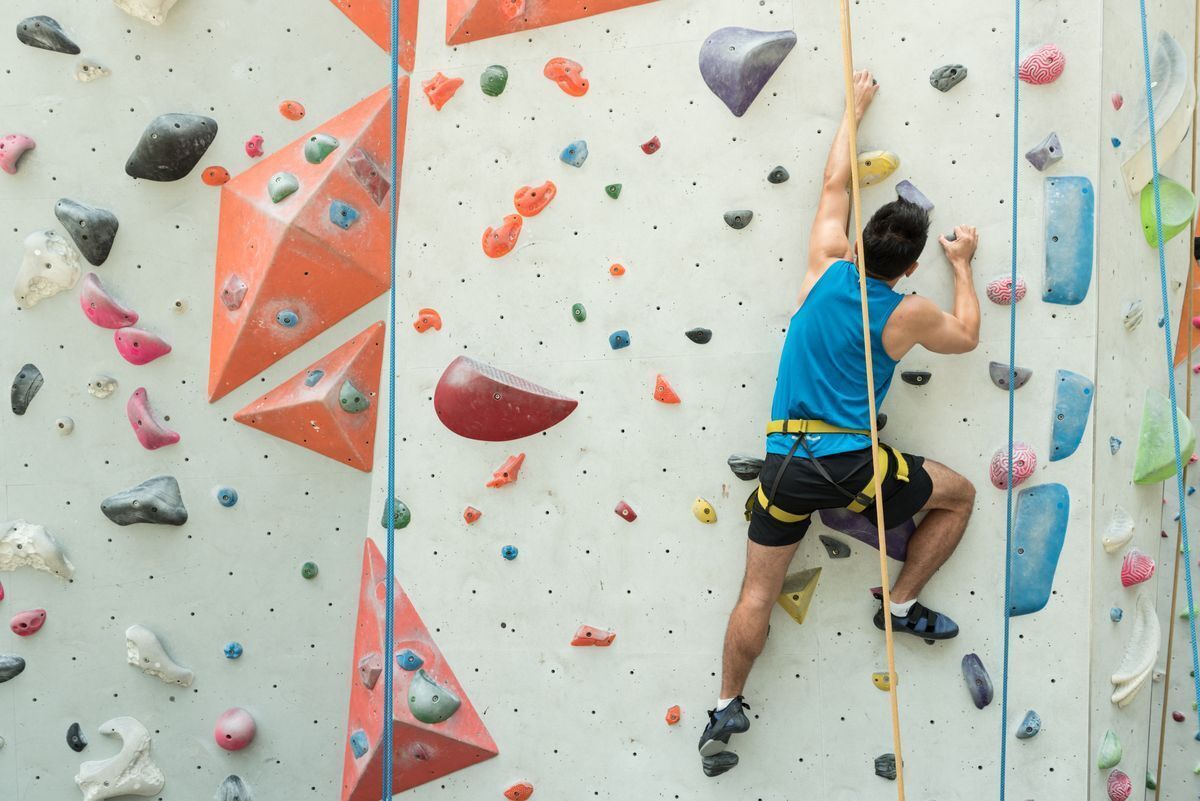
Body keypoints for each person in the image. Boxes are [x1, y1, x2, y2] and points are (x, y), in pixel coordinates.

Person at [698, 69, 981, 778]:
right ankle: (903, 602)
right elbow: (967, 337)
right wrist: (964, 266)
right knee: (960, 493)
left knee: (755, 593)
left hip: (784, 464)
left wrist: (851, 110)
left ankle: (726, 702)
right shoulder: (907, 309)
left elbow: (832, 188)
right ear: (911, 263)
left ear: (857, 243)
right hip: (853, 463)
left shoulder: (824, 270)